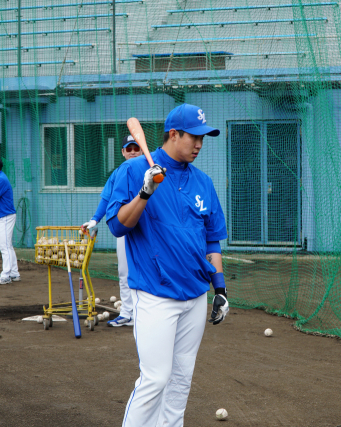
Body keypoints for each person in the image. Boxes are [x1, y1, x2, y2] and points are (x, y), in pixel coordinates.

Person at [106, 104, 229, 427]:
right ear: (174, 135)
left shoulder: (203, 182)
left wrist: (220, 289)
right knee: (156, 380)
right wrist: (145, 192)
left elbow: (211, 240)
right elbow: (118, 226)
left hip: (194, 297)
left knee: (180, 381)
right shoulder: (134, 173)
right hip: (156, 295)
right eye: (195, 137)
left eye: (204, 137)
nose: (200, 144)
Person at [82, 135, 143, 327]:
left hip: (147, 230)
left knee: (147, 271)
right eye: (129, 148)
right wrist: (95, 219)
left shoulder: (150, 168)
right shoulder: (118, 172)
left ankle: (144, 314)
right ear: (123, 152)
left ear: (142, 150)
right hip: (124, 227)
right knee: (124, 271)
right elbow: (107, 198)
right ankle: (127, 313)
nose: (133, 151)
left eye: (136, 148)